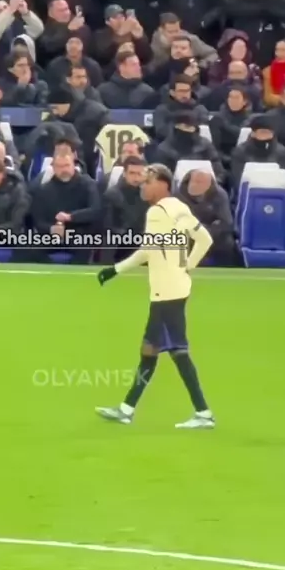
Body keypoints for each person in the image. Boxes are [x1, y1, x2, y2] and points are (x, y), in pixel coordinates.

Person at [95, 162, 214, 429]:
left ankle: (204, 413)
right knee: (150, 351)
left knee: (178, 352)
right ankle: (126, 409)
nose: (142, 185)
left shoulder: (158, 212)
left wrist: (115, 270)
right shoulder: (178, 207)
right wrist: (187, 265)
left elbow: (148, 251)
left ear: (162, 184)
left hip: (167, 292)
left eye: (148, 181)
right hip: (174, 288)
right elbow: (203, 239)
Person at [30, 152, 101, 261]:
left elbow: (95, 211)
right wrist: (51, 228)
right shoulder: (44, 189)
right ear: (53, 168)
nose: (64, 170)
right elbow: (38, 220)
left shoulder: (87, 184)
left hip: (79, 235)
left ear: (74, 166)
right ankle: (51, 269)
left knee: (86, 245)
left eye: (67, 165)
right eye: (59, 166)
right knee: (28, 247)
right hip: (51, 236)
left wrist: (71, 217)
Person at [176, 169, 235, 264]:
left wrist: (204, 231)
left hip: (212, 235)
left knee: (227, 242)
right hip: (187, 234)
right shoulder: (178, 195)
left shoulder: (220, 195)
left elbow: (226, 222)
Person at [46, 86, 109, 174]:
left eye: (56, 108)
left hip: (93, 159)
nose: (54, 112)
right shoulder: (53, 118)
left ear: (67, 104)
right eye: (51, 109)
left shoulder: (95, 112)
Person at [155, 113, 225, 183]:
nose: (188, 129)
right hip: (175, 186)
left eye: (191, 126)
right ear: (176, 126)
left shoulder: (205, 145)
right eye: (185, 126)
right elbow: (162, 175)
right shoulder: (165, 148)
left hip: (207, 184)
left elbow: (217, 166)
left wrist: (216, 181)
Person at [102, 154, 148, 259]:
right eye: (132, 173)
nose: (136, 178)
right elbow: (108, 226)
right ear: (124, 173)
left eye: (139, 174)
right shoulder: (112, 195)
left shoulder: (147, 196)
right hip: (118, 247)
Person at [230, 113, 285, 188]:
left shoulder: (281, 152)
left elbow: (283, 178)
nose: (265, 136)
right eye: (262, 132)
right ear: (253, 133)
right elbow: (237, 178)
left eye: (268, 133)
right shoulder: (240, 151)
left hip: (275, 188)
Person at [93, 4, 152, 72]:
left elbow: (147, 57)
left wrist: (139, 39)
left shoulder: (132, 31)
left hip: (135, 67)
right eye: (116, 18)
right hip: (113, 71)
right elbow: (103, 58)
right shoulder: (100, 34)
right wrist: (120, 35)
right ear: (107, 22)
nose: (120, 20)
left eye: (122, 16)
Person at [154, 75, 208, 141]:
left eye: (187, 91)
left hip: (195, 144)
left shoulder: (199, 109)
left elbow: (203, 129)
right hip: (170, 144)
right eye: (181, 91)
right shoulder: (162, 110)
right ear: (172, 93)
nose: (185, 94)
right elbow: (161, 131)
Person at [38, 0, 90, 66]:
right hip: (58, 66)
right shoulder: (47, 29)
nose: (66, 13)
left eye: (66, 9)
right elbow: (48, 47)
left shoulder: (79, 25)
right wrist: (69, 30)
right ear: (50, 14)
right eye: (61, 10)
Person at [210, 86, 252, 165]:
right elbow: (214, 146)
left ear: (244, 101)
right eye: (231, 97)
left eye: (236, 98)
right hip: (221, 159)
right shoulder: (217, 119)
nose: (233, 100)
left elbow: (243, 137)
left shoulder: (250, 120)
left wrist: (226, 126)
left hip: (243, 159)